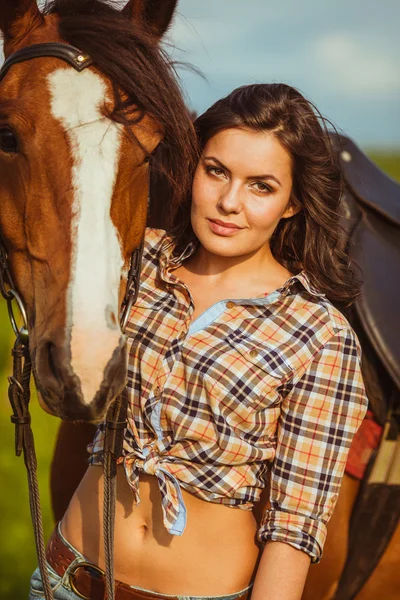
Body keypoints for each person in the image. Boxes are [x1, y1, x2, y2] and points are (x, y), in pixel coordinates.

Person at [29, 83, 369, 600]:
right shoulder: (132, 265)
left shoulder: (320, 333)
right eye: (216, 171)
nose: (230, 202)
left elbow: (295, 523)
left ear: (293, 202)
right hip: (67, 576)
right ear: (191, 168)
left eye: (261, 186)